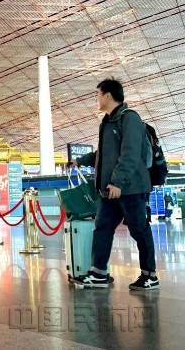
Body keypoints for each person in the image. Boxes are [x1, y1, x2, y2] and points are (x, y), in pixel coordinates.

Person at [71, 78, 158, 290]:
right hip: (110, 190)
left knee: (139, 230)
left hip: (130, 188)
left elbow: (130, 154)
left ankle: (150, 275)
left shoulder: (129, 118)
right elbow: (103, 155)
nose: (96, 99)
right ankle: (98, 273)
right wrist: (79, 161)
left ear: (108, 95)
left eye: (97, 94)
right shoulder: (108, 121)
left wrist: (118, 181)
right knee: (102, 228)